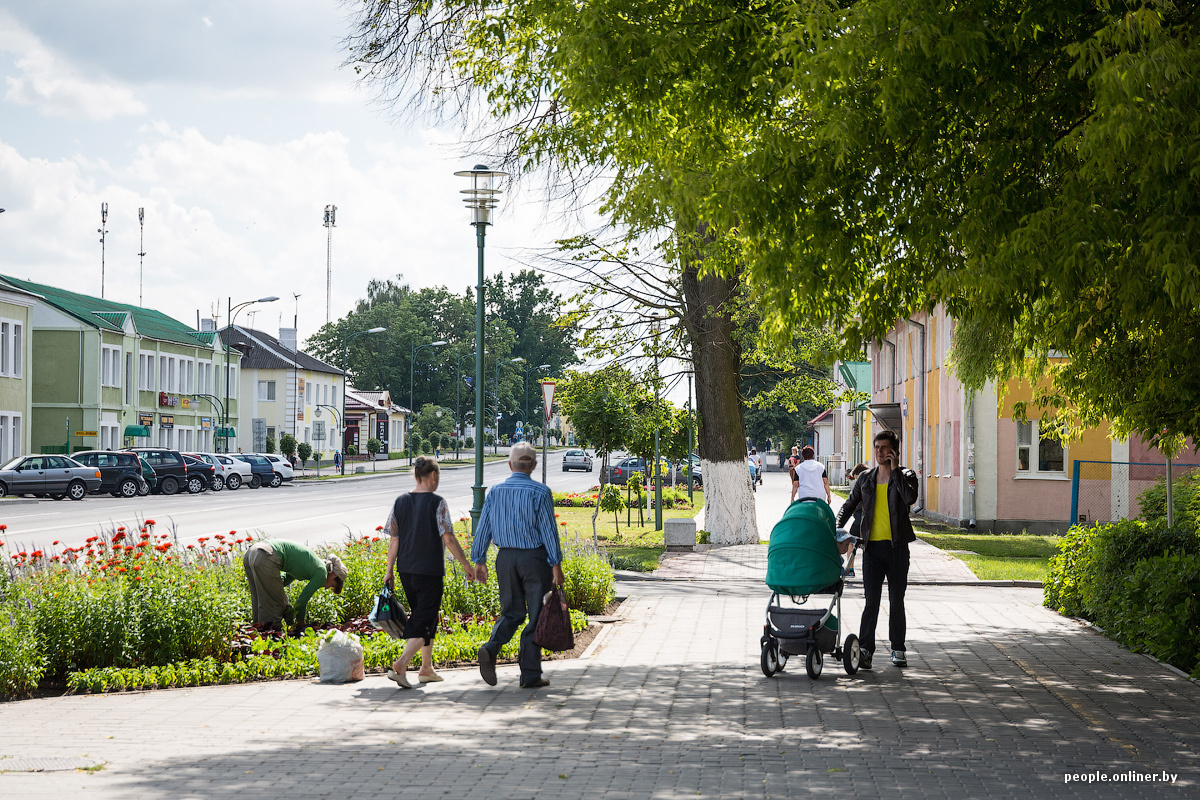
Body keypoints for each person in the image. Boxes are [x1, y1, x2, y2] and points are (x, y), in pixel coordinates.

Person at [471, 441, 565, 689]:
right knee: (536, 616)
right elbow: (548, 531)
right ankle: (530, 674)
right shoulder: (540, 492)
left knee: (512, 612)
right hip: (535, 560)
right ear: (533, 466)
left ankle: (491, 648)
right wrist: (556, 565)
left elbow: (484, 528)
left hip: (506, 559)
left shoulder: (495, 492)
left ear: (510, 464)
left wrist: (479, 560)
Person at [383, 456, 475, 688]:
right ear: (433, 476)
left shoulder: (400, 501)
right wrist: (466, 565)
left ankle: (426, 668)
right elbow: (449, 537)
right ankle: (401, 664)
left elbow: (394, 539)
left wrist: (389, 571)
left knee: (425, 615)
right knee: (424, 619)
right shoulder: (438, 502)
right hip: (429, 570)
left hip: (406, 570)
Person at [836, 431, 919, 670]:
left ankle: (898, 649)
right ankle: (865, 650)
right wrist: (835, 527)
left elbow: (910, 498)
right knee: (871, 600)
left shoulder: (906, 475)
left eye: (884, 448)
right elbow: (848, 505)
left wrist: (894, 472)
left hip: (897, 548)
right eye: (877, 447)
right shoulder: (865, 479)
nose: (880, 451)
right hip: (871, 548)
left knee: (896, 600)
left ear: (894, 451)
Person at [242, 539, 348, 634]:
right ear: (334, 575)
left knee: (259, 598)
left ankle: (255, 636)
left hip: (253, 552)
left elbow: (280, 582)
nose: (326, 588)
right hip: (266, 556)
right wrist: (301, 624)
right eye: (332, 585)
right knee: (276, 606)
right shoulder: (321, 573)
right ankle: (270, 644)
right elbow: (301, 602)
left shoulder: (311, 563)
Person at [841, 463, 869, 578]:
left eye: (856, 476)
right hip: (868, 520)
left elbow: (855, 503)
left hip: (859, 521)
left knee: (850, 543)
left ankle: (850, 569)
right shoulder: (872, 483)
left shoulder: (862, 485)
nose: (855, 479)